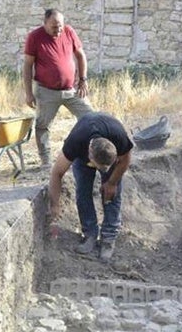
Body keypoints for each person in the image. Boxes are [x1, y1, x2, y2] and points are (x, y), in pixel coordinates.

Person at [48, 112, 134, 262]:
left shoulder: (119, 138)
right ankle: (90, 234)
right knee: (83, 191)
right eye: (99, 167)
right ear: (90, 155)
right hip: (83, 153)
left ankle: (109, 237)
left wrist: (112, 182)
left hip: (109, 143)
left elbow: (126, 159)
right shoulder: (75, 142)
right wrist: (55, 204)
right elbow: (56, 173)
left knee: (112, 193)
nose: (102, 171)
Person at [23, 8, 94, 167]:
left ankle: (90, 154)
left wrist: (83, 79)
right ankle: (46, 161)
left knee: (91, 118)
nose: (58, 30)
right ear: (45, 23)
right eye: (54, 27)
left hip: (71, 90)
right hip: (46, 91)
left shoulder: (69, 32)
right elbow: (27, 66)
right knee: (42, 126)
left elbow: (80, 56)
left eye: (60, 26)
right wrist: (29, 93)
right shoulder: (34, 37)